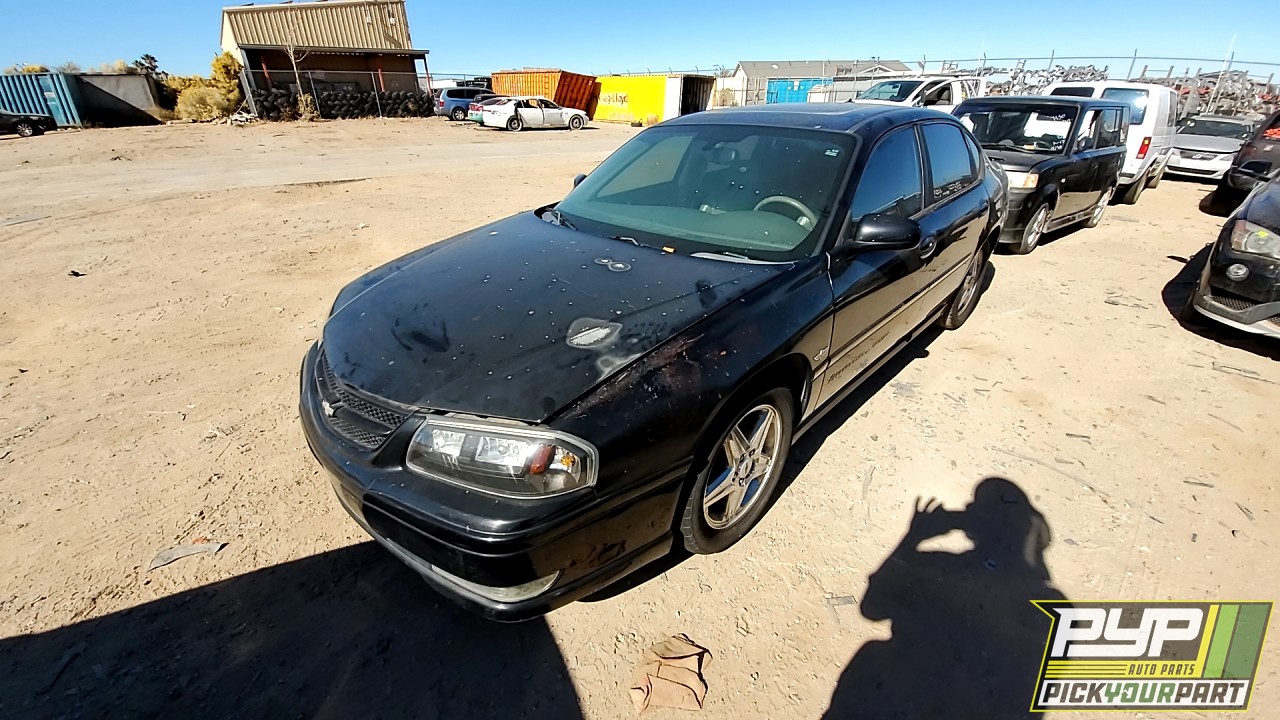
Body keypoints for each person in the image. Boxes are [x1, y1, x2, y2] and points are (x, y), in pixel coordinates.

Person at [824, 478, 1067, 719]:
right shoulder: (1050, 604)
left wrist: (914, 537)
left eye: (976, 505)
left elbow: (872, 607)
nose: (968, 508)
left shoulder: (940, 569)